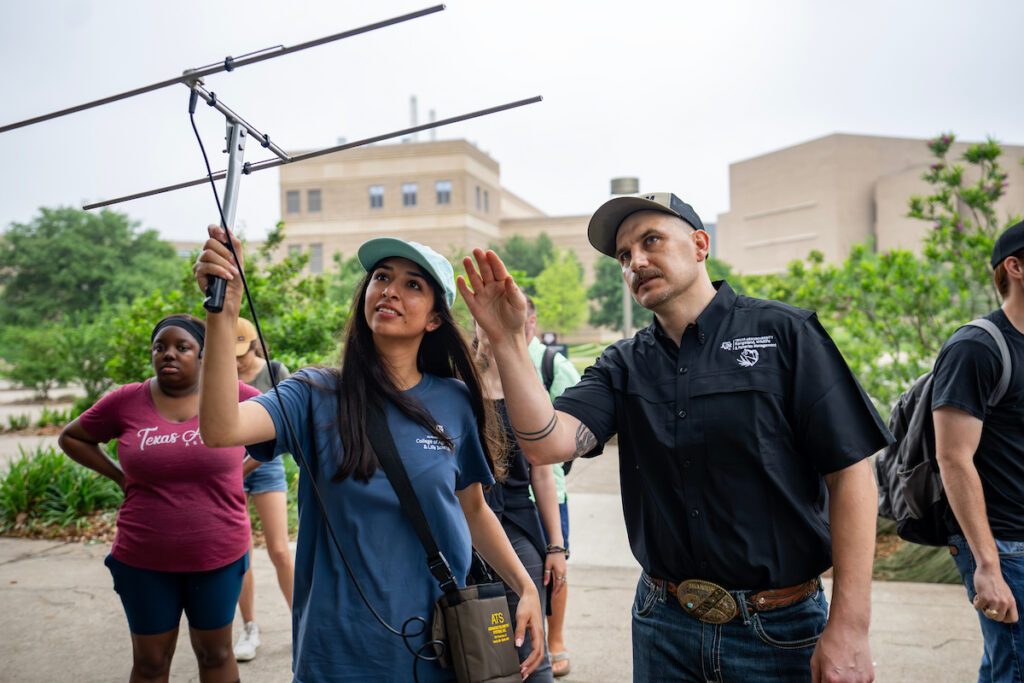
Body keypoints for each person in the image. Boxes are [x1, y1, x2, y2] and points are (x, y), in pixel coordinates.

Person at [460, 192, 892, 682]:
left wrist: (851, 626)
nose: (636, 262)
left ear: (700, 244)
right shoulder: (623, 365)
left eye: (651, 241)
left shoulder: (783, 334)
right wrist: (507, 340)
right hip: (663, 627)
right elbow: (546, 443)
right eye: (624, 256)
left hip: (781, 628)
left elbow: (852, 474)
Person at [193, 228, 544, 682]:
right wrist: (225, 313)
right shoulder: (313, 394)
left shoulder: (455, 399)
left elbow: (473, 509)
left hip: (439, 642)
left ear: (435, 319)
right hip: (339, 650)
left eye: (413, 284)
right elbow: (221, 429)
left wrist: (525, 586)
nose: (390, 291)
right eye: (381, 277)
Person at [58, 314, 259, 683]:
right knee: (151, 661)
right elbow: (72, 437)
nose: (168, 354)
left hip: (217, 553)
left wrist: (239, 471)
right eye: (160, 347)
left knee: (215, 654)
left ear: (203, 355)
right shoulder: (125, 400)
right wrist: (120, 477)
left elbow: (277, 433)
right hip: (144, 557)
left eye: (182, 347)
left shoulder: (238, 395)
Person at [933, 219, 1024, 682]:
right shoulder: (977, 348)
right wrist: (988, 565)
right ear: (1015, 266)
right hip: (1006, 546)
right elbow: (953, 457)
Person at [474, 318, 564, 682]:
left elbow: (542, 472)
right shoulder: (456, 384)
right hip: (463, 524)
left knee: (529, 648)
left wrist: (556, 546)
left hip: (516, 523)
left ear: (525, 329)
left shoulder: (529, 390)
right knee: (472, 642)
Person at [523, 295, 580, 678]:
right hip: (498, 496)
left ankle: (555, 639)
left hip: (547, 489)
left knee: (553, 568)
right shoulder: (479, 361)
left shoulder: (550, 363)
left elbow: (575, 424)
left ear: (532, 320)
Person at [232, 317, 296, 662]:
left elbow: (287, 429)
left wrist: (242, 468)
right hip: (227, 469)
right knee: (241, 553)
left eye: (242, 352)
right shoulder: (219, 373)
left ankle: (300, 623)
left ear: (254, 344)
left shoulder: (273, 370)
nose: (238, 360)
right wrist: (232, 471)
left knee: (279, 550)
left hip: (264, 465)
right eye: (232, 353)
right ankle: (250, 627)